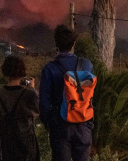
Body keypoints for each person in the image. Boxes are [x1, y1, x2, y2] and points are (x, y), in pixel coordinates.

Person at [39, 25, 94, 161]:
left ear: (57, 44)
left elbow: (44, 102)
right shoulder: (87, 65)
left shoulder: (49, 69)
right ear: (74, 43)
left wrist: (48, 123)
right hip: (83, 123)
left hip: (60, 126)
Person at [0, 55, 40, 161]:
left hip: (5, 142)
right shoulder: (28, 94)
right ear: (22, 71)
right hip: (26, 142)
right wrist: (32, 89)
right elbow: (38, 108)